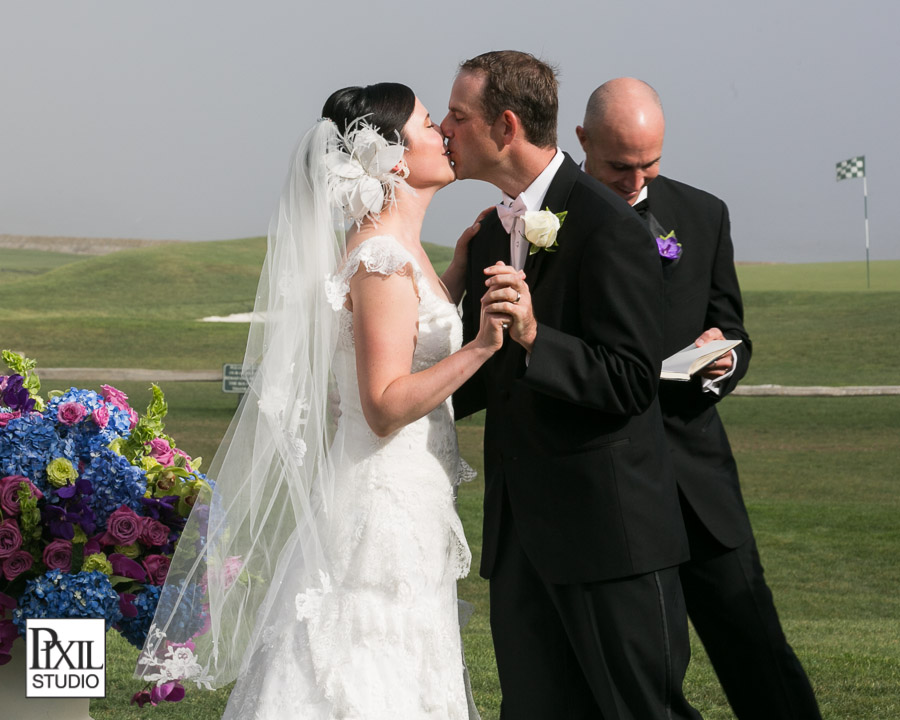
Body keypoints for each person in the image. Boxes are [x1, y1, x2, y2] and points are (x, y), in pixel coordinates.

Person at [136, 83, 507, 719]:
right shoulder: (383, 260)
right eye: (427, 123)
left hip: (407, 492)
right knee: (370, 666)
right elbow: (385, 405)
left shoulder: (396, 253)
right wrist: (481, 346)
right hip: (383, 501)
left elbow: (401, 337)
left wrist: (452, 279)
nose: (444, 132)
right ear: (392, 156)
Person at [443, 51, 702, 719]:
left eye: (458, 116)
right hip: (521, 540)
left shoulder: (610, 226)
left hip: (608, 539)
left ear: (504, 126)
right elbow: (489, 373)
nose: (445, 128)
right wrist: (387, 402)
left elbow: (631, 381)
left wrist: (534, 335)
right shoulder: (493, 235)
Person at [576, 77, 822, 720]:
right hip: (613, 490)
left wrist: (719, 358)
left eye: (649, 164)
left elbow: (732, 328)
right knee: (642, 677)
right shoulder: (553, 222)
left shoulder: (703, 214)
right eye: (618, 166)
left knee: (757, 650)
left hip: (699, 483)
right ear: (581, 141)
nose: (635, 181)